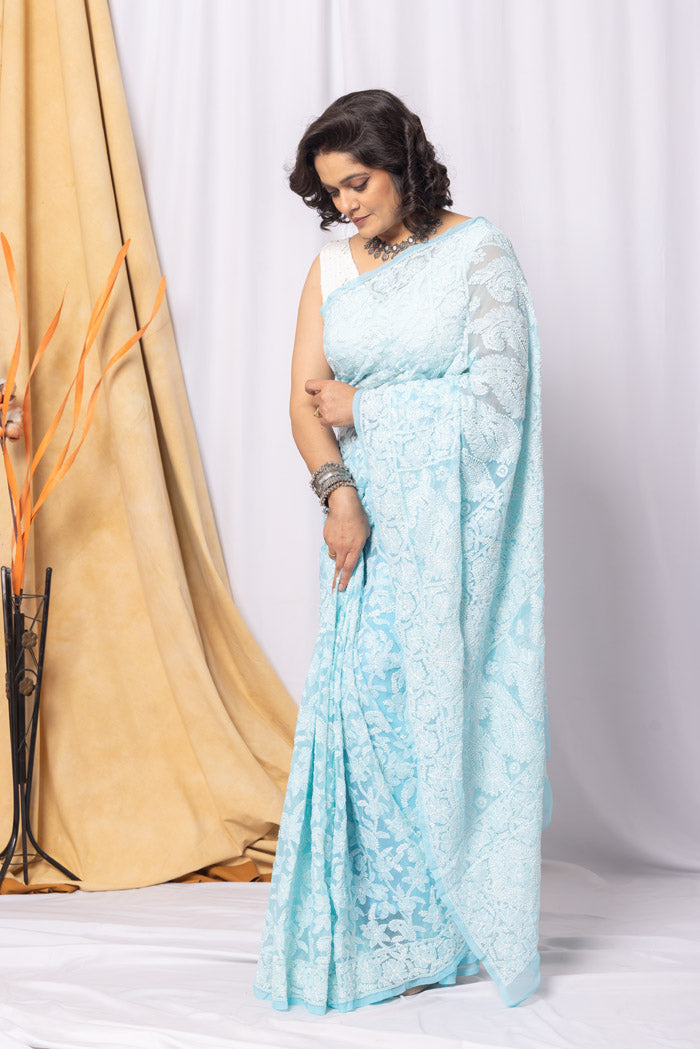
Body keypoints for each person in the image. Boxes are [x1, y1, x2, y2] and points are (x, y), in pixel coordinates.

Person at [253, 88, 552, 1015]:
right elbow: (304, 403)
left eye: (358, 183)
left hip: (451, 533)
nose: (344, 205)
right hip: (363, 524)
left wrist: (370, 405)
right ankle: (384, 924)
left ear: (402, 164)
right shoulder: (330, 269)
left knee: (433, 713)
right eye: (331, 191)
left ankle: (446, 923)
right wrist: (338, 493)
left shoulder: (478, 254)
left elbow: (499, 400)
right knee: (365, 715)